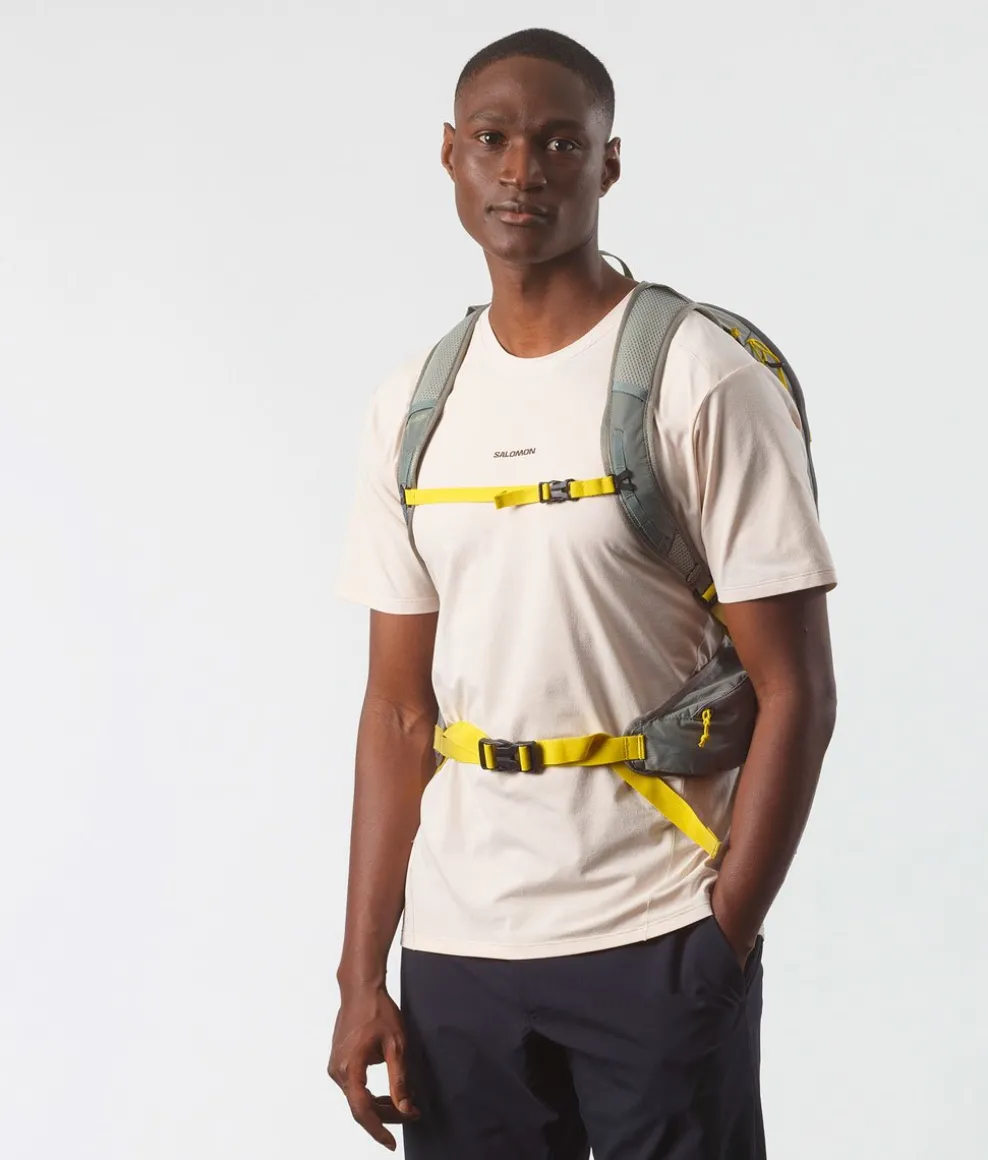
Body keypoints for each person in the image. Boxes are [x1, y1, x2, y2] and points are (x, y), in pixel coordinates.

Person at [327, 26, 838, 1160]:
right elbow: (397, 710)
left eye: (561, 143)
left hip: (656, 928)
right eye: (494, 140)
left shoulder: (701, 378)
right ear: (451, 154)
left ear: (608, 164)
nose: (523, 171)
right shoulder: (413, 403)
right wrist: (362, 973)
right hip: (459, 951)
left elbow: (797, 689)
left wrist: (724, 935)